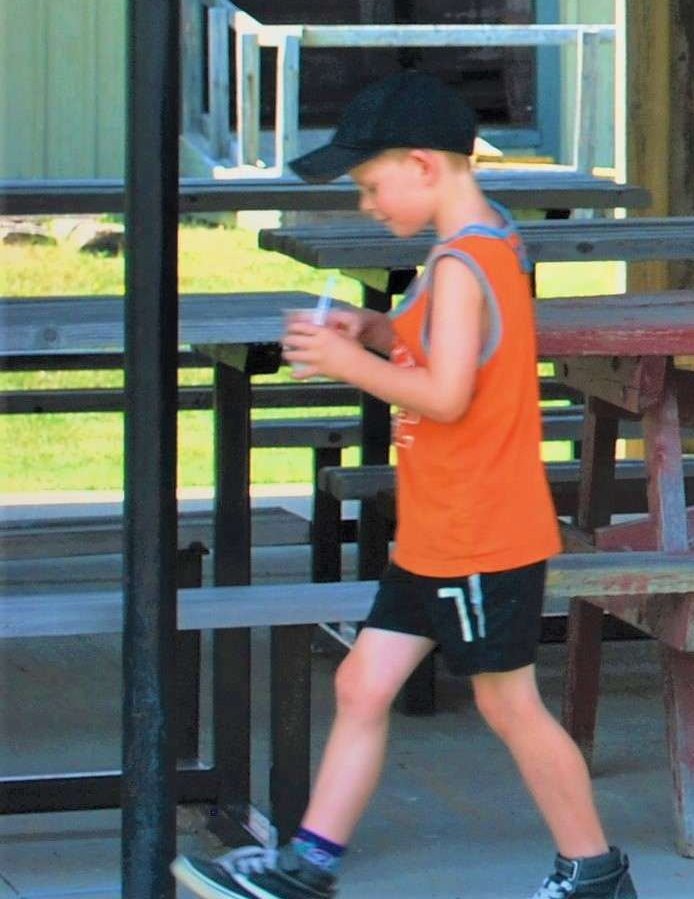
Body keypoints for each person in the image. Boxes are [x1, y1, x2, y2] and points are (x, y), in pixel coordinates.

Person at [180, 74, 636, 899]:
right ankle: (308, 866)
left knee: (509, 707)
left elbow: (450, 393)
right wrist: (379, 330)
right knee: (362, 683)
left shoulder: (467, 263)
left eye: (368, 183)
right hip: (438, 532)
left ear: (424, 165)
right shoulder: (469, 245)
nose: (364, 204)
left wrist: (348, 362)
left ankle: (594, 872)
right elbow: (451, 347)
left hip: (479, 535)